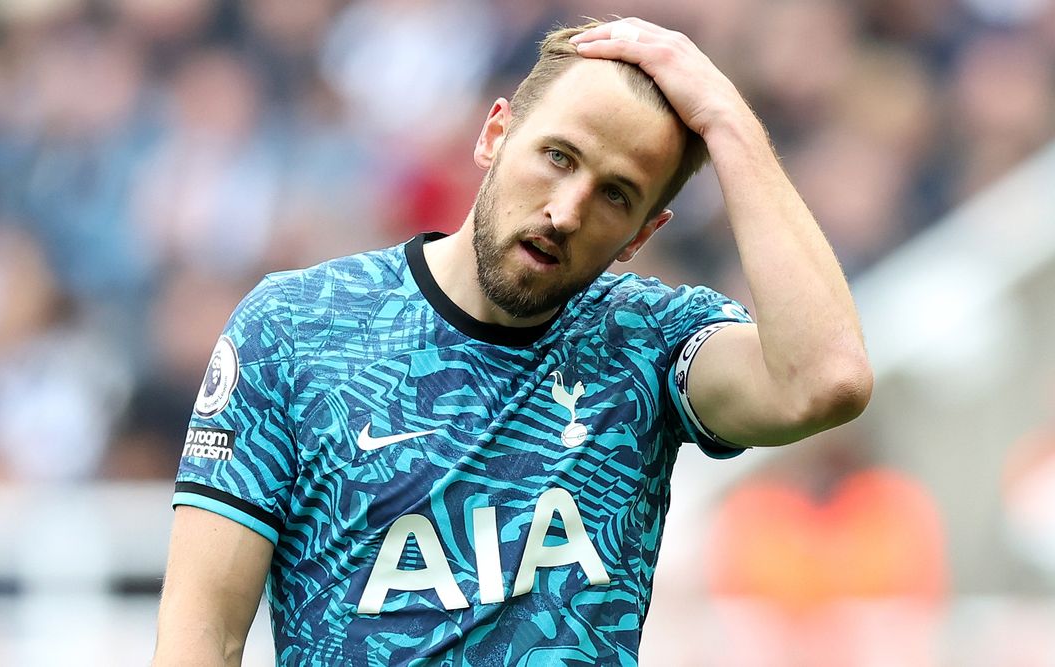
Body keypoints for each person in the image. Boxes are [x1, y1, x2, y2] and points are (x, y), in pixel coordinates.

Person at [153, 17, 873, 666]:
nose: (565, 211)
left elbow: (826, 377)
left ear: (642, 235)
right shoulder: (295, 327)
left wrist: (728, 120)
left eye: (616, 194)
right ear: (495, 133)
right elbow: (203, 632)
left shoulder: (652, 344)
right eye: (557, 156)